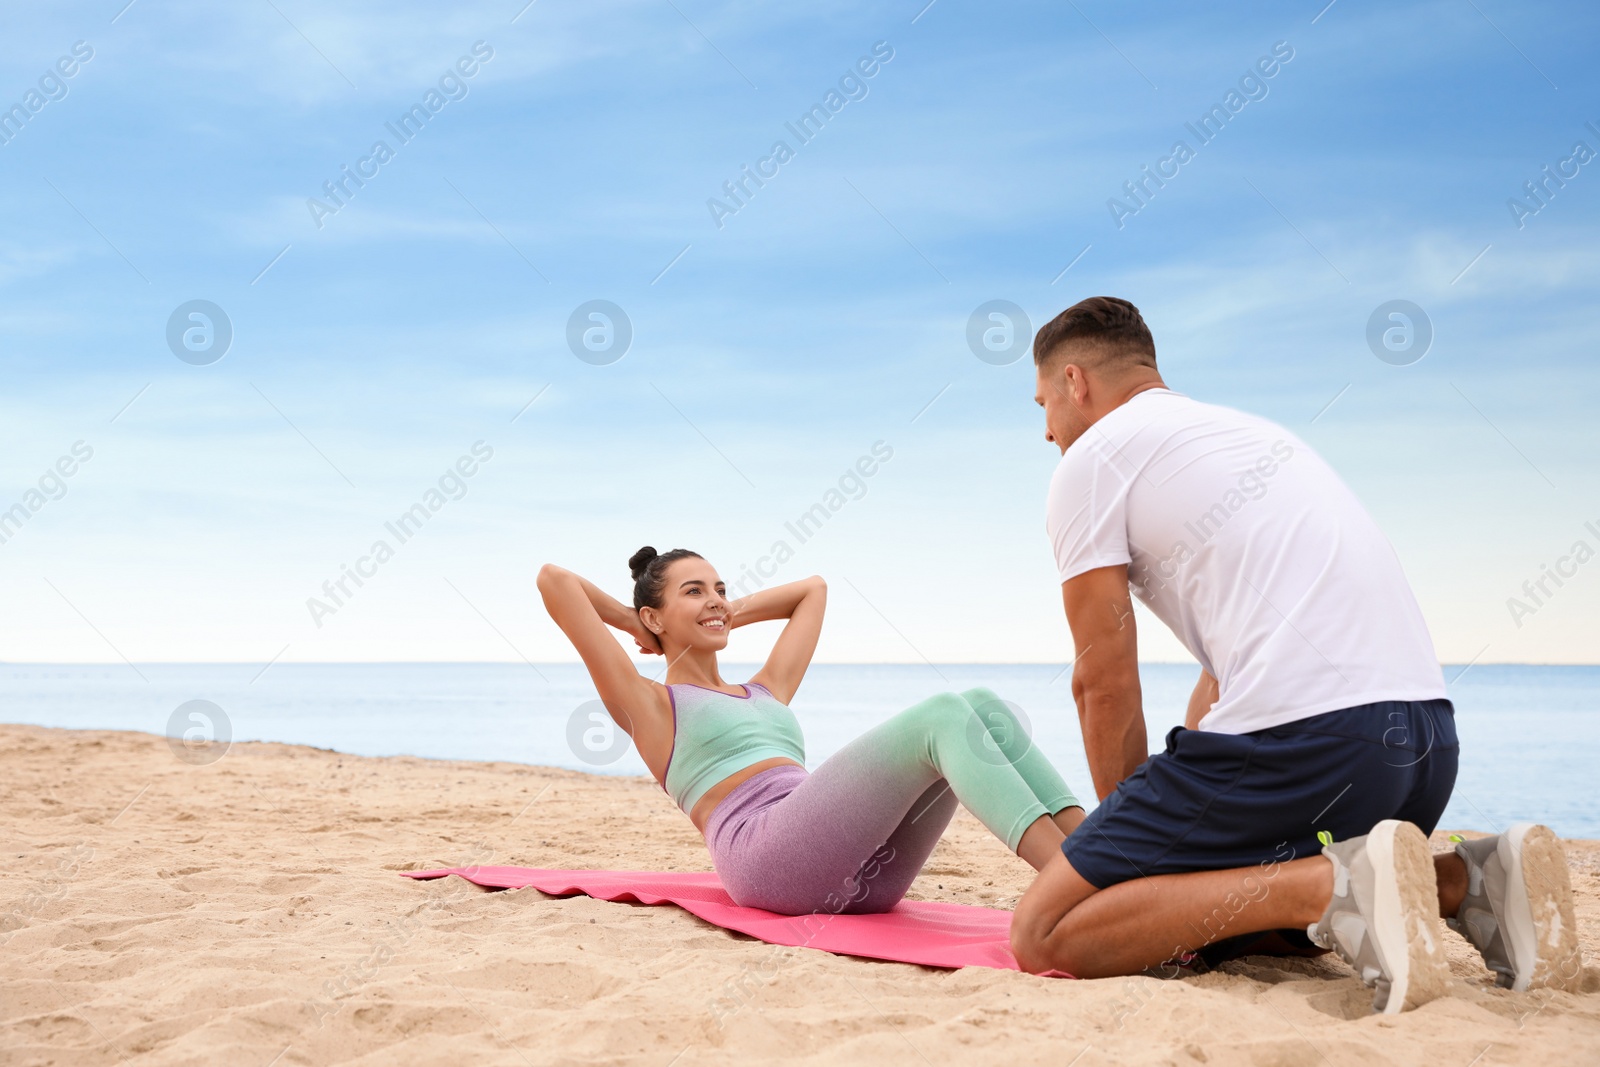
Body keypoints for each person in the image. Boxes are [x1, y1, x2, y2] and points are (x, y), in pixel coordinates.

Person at [1009, 296, 1583, 1012]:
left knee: (1046, 932)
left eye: (1043, 405)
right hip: (1423, 749)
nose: (1046, 431)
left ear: (1075, 382)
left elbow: (1102, 679)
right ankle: (1461, 881)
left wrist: (1127, 854)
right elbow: (1222, 679)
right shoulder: (1246, 437)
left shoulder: (1092, 461)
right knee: (1226, 928)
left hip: (1310, 745)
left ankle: (1334, 881)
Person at [537, 548, 1085, 915]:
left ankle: (1101, 856)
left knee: (983, 707)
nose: (715, 599)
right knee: (944, 713)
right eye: (694, 591)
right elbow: (555, 581)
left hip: (862, 877)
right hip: (768, 863)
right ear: (655, 616)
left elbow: (813, 591)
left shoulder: (766, 689)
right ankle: (1077, 884)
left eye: (720, 589)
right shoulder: (651, 706)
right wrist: (638, 623)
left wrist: (719, 613)